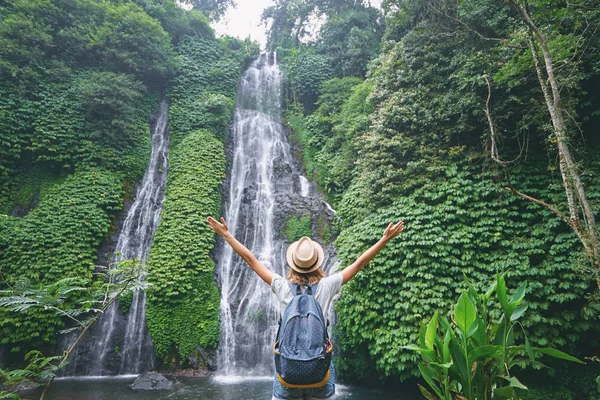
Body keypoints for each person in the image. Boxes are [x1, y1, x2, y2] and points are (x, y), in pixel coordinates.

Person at [207, 216, 404, 399]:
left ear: (292, 264)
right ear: (317, 263)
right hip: (319, 371)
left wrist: (227, 235)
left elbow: (251, 261)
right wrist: (384, 240)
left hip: (287, 371)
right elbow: (360, 263)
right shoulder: (328, 286)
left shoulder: (281, 286)